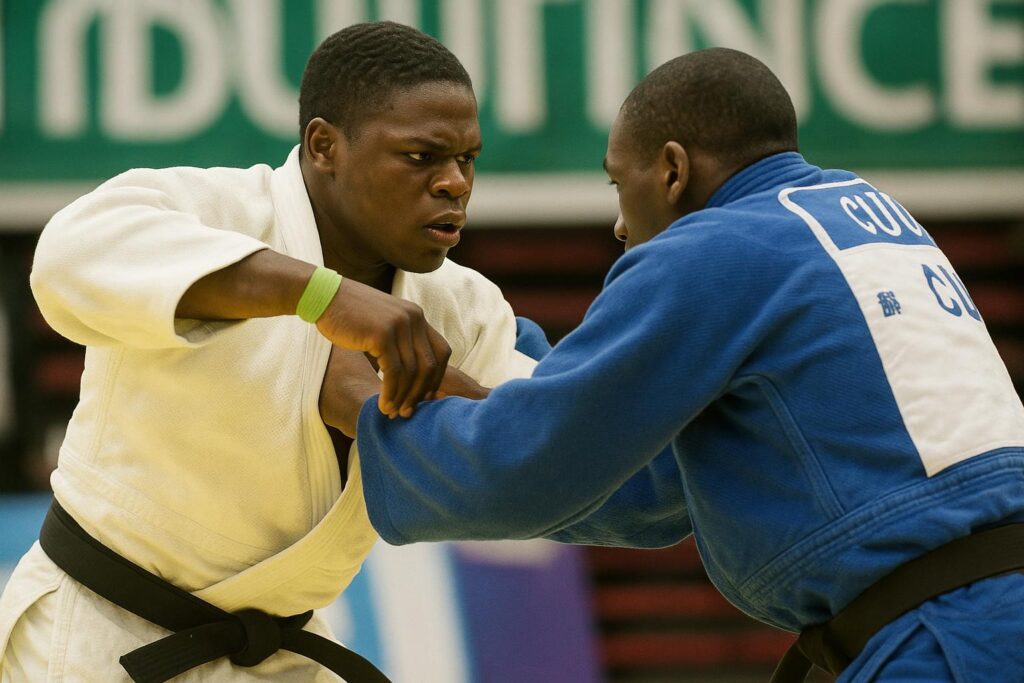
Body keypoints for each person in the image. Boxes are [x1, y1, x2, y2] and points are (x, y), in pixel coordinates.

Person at [329, 48, 1024, 682]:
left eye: (616, 184)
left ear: (671, 169)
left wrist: (367, 411)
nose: (620, 227)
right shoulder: (860, 215)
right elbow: (652, 485)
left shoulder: (721, 247)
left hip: (949, 638)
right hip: (976, 616)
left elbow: (537, 463)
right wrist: (497, 382)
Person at [0, 21, 537, 682]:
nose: (455, 183)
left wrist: (415, 402)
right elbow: (63, 260)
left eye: (468, 159)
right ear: (324, 146)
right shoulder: (207, 211)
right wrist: (323, 297)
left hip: (279, 656)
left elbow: (536, 443)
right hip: (97, 637)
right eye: (422, 157)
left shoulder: (462, 306)